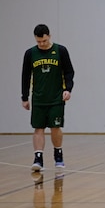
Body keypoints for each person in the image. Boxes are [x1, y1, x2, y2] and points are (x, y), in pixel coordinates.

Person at [21, 24, 75, 172]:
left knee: (55, 127)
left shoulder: (60, 51)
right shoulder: (30, 53)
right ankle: (38, 158)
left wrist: (68, 89)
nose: (42, 44)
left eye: (44, 41)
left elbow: (69, 72)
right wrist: (24, 97)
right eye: (38, 41)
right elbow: (25, 76)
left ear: (49, 36)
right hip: (38, 98)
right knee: (38, 128)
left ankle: (58, 154)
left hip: (56, 97)